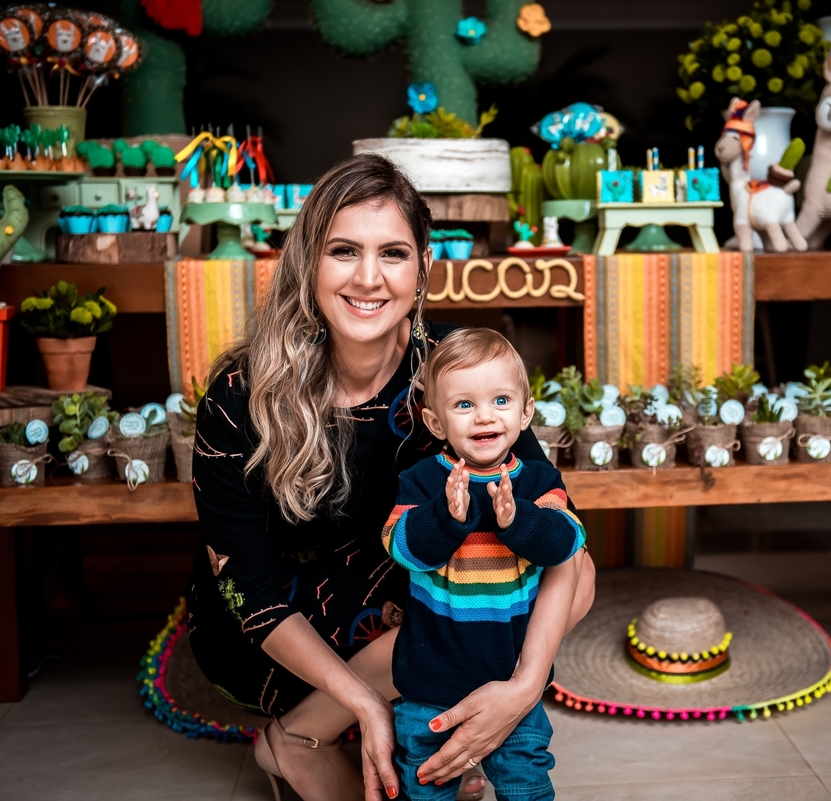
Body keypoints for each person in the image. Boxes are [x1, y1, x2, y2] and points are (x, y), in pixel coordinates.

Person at [187, 154, 595, 801]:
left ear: (423, 267)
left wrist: (520, 691)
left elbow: (573, 558)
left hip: (415, 618)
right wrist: (363, 700)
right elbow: (250, 589)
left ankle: (432, 722)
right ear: (308, 264)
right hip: (280, 634)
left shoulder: (460, 374)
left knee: (548, 575)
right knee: (431, 621)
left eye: (394, 253)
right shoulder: (239, 395)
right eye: (344, 250)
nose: (369, 278)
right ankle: (297, 738)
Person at [383, 329, 585, 800]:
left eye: (500, 399)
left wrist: (519, 521)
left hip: (511, 681)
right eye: (464, 405)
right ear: (436, 423)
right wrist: (445, 519)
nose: (485, 416)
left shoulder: (538, 480)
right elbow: (401, 547)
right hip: (430, 685)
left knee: (526, 785)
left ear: (525, 413)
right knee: (427, 782)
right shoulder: (421, 482)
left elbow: (566, 543)